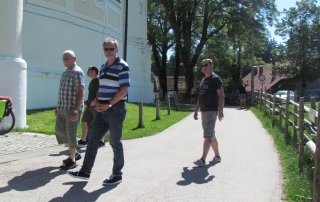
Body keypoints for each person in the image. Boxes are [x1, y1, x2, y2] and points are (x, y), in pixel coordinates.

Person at [67, 37, 130, 186]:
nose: (109, 51)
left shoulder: (123, 66)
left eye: (111, 49)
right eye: (106, 49)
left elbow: (124, 90)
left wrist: (108, 104)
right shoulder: (103, 67)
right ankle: (85, 171)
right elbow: (101, 87)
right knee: (93, 140)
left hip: (115, 109)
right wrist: (96, 102)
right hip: (101, 109)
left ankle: (117, 174)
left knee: (115, 142)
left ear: (117, 49)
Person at [55, 50, 85, 170]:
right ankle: (74, 153)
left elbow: (81, 92)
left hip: (72, 108)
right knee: (60, 132)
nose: (65, 61)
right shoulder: (65, 72)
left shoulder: (76, 72)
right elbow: (62, 92)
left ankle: (72, 160)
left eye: (68, 58)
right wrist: (58, 107)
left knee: (71, 133)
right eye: (64, 59)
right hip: (62, 107)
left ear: (74, 58)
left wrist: (75, 111)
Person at [193, 59, 224, 167]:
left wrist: (221, 110)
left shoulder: (216, 79)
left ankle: (202, 159)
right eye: (202, 65)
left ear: (212, 66)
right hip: (204, 110)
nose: (204, 67)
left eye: (206, 65)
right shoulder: (203, 80)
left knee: (207, 135)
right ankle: (217, 156)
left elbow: (221, 95)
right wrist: (196, 111)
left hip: (212, 110)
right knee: (210, 134)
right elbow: (200, 97)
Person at [78, 65, 105, 148]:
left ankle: (102, 141)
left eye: (89, 70)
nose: (87, 71)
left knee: (99, 123)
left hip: (95, 105)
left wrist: (95, 100)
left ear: (94, 71)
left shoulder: (97, 80)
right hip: (89, 105)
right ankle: (83, 140)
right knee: (84, 121)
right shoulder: (92, 81)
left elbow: (99, 91)